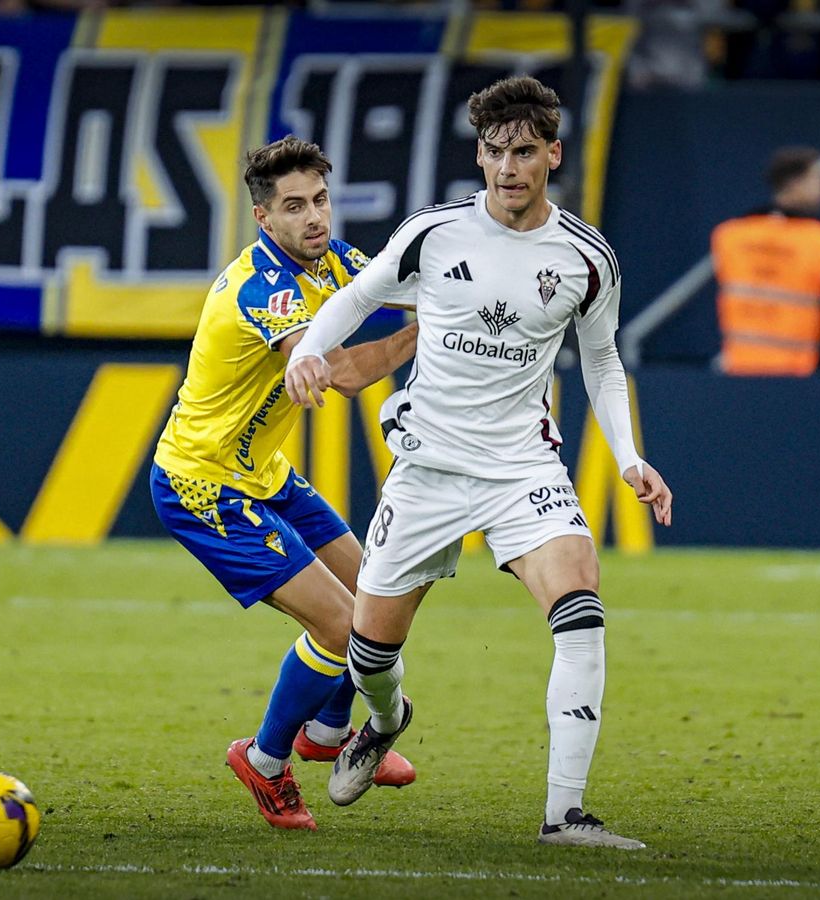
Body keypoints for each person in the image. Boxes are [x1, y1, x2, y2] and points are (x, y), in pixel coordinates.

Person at [283, 75, 673, 850]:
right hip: (427, 468)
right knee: (371, 656)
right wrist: (312, 353)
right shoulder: (436, 233)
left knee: (582, 609)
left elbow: (602, 363)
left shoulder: (587, 259)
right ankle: (387, 721)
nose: (507, 168)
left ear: (553, 155)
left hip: (521, 469)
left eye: (524, 152)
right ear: (481, 155)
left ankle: (565, 815)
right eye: (495, 152)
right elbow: (358, 297)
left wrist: (629, 456)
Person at [149, 136, 420, 832]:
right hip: (202, 485)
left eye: (321, 201)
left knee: (374, 594)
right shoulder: (259, 287)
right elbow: (331, 365)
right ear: (264, 219)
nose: (314, 218)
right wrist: (413, 338)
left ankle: (326, 738)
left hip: (263, 474)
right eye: (294, 207)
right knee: (337, 623)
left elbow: (408, 280)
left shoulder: (331, 259)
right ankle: (265, 761)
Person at [710, 145, 820, 375]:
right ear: (795, 182)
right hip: (798, 377)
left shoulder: (731, 236)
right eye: (816, 179)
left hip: (739, 372)